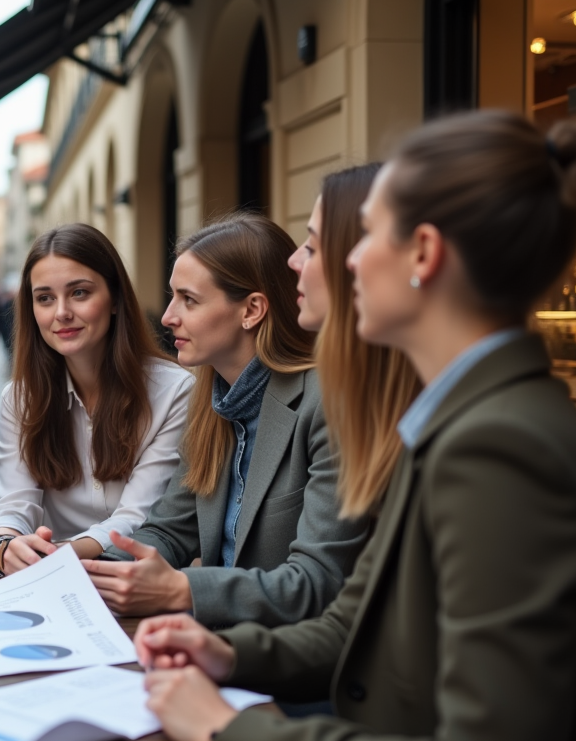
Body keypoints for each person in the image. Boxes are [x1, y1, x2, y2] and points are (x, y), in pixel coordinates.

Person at [135, 112, 576, 741]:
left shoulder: (499, 443)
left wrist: (231, 728)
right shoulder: (448, 421)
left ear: (423, 254)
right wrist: (223, 653)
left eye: (360, 235)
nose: (327, 261)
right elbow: (350, 622)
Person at [80, 214, 369, 626]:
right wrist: (92, 572)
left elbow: (318, 582)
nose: (167, 317)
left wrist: (183, 590)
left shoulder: (326, 403)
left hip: (291, 662)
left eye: (189, 300)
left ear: (252, 309)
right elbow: (170, 530)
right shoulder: (210, 398)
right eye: (171, 296)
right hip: (217, 641)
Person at [0, 224, 193, 575]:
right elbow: (13, 504)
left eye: (79, 293)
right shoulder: (19, 398)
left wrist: (54, 553)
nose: (61, 312)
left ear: (114, 299)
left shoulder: (174, 390)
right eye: (45, 298)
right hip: (52, 579)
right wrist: (5, 544)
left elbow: (138, 516)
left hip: (137, 578)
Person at [288, 163, 421, 519]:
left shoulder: (457, 431)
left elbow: (317, 572)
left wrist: (182, 579)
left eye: (313, 247)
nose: (294, 260)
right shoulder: (366, 400)